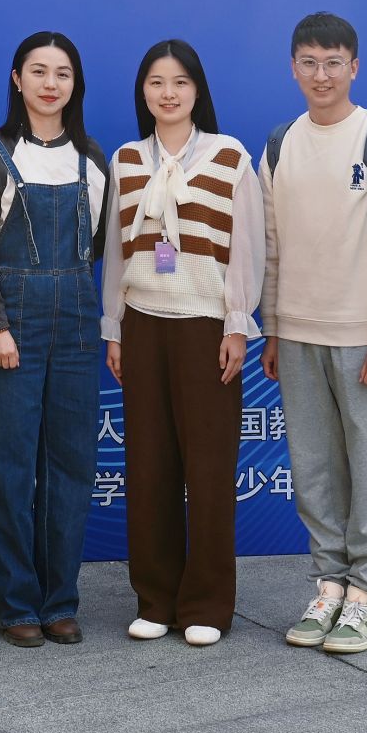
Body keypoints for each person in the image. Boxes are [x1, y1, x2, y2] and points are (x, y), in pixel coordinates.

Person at [260, 12, 367, 656]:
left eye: (333, 63)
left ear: (354, 67)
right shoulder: (280, 145)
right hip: (298, 337)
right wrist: (273, 329)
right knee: (313, 468)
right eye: (309, 62)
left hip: (364, 338)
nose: (321, 75)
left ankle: (364, 596)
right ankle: (327, 585)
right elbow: (271, 249)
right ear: (293, 68)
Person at [100, 39, 263, 647]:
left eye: (180, 82)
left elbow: (247, 249)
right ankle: (156, 599)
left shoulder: (229, 156)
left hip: (205, 327)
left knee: (210, 470)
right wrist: (114, 327)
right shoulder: (125, 161)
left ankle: (207, 604)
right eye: (156, 83)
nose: (167, 94)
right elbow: (116, 253)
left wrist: (237, 323)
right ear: (142, 92)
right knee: (149, 468)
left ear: (198, 90)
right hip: (142, 323)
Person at [0, 32, 107, 647]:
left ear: (75, 84)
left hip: (78, 324)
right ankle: (18, 604)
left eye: (62, 73)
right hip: (9, 325)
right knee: (11, 465)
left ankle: (59, 601)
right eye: (38, 71)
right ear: (17, 79)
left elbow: (98, 245)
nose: (51, 84)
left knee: (71, 464)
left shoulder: (91, 158)